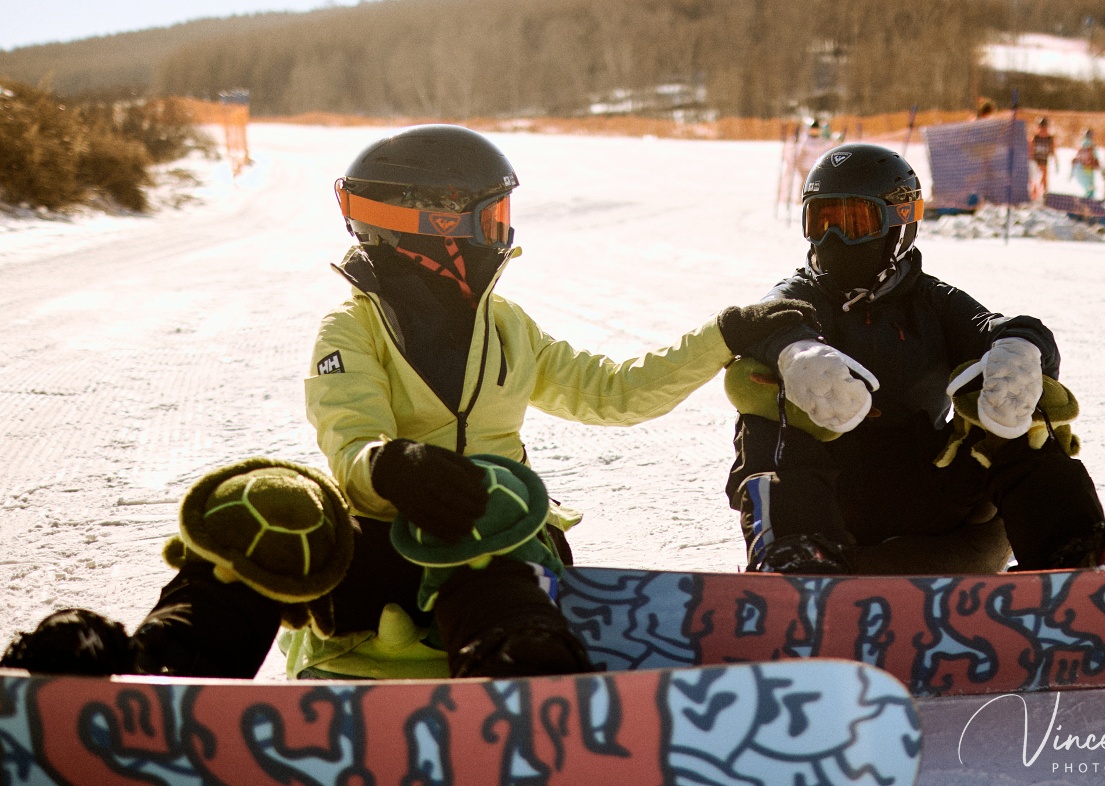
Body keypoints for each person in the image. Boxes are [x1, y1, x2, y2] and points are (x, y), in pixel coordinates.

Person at [4, 125, 858, 680]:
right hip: (377, 534)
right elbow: (349, 437)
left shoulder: (508, 327)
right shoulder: (354, 323)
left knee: (494, 528)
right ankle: (156, 664)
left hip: (480, 542)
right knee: (265, 508)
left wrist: (724, 332)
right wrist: (389, 467)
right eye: (493, 211)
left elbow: (615, 393)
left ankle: (519, 662)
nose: (504, 226)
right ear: (440, 219)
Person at [723, 143, 1105, 576]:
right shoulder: (802, 295)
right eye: (822, 220)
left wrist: (1022, 349)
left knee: (1011, 394)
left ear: (898, 225)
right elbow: (765, 319)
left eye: (854, 221)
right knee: (762, 404)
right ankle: (791, 553)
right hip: (832, 506)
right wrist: (794, 349)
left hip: (934, 499)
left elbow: (1003, 329)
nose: (835, 237)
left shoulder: (931, 301)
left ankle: (1077, 549)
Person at [1030, 117, 1058, 200]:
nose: (1043, 129)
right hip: (1035, 160)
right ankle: (1033, 196)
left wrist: (1056, 161)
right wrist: (1030, 160)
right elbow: (1030, 149)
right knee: (1034, 179)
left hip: (1044, 160)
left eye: (1044, 127)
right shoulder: (1035, 138)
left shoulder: (1050, 138)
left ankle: (1044, 195)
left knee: (1044, 178)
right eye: (1041, 127)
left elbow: (1053, 150)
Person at [1071, 130, 1101, 199]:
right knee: (1090, 186)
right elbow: (1095, 157)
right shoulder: (1092, 145)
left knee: (1087, 186)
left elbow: (1077, 157)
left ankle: (1087, 198)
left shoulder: (1082, 144)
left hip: (1080, 168)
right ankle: (1090, 200)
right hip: (1088, 168)